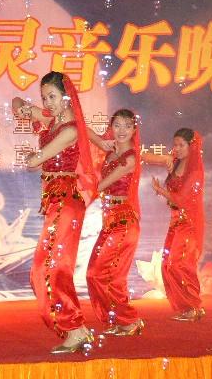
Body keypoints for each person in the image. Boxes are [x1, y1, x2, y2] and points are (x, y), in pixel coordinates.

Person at [12, 71, 98, 354]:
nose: (47, 102)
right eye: (44, 97)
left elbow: (35, 160)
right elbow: (16, 103)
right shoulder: (54, 119)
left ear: (67, 97)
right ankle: (77, 329)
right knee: (49, 268)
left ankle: (74, 328)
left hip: (65, 203)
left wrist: (32, 156)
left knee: (49, 268)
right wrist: (25, 109)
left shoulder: (69, 129)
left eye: (52, 96)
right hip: (57, 203)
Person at [86, 109, 144, 336]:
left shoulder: (129, 158)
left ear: (134, 130)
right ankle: (119, 319)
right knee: (98, 275)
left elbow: (101, 186)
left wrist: (79, 199)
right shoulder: (110, 152)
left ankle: (128, 320)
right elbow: (83, 131)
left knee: (108, 275)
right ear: (111, 127)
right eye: (117, 125)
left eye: (127, 126)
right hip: (110, 221)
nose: (121, 130)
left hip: (124, 221)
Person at [144, 128, 205, 321]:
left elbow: (182, 199)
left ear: (191, 146)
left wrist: (160, 190)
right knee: (167, 265)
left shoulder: (195, 170)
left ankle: (193, 306)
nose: (176, 148)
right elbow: (145, 157)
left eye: (181, 145)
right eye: (175, 144)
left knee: (180, 264)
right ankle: (186, 307)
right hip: (176, 221)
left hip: (189, 222)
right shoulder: (174, 162)